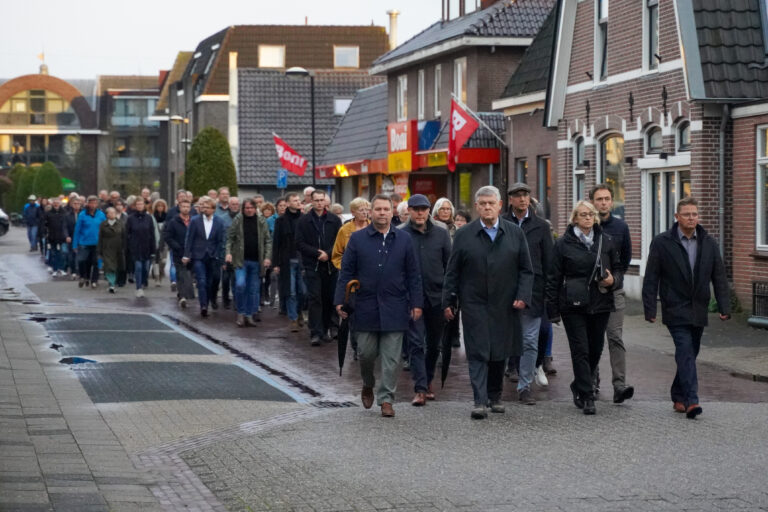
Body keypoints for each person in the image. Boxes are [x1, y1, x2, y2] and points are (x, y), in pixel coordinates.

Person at [443, 186, 534, 419]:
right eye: (482, 203)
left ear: (500, 205)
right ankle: (479, 400)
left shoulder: (514, 233)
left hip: (506, 302)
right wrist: (448, 301)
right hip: (474, 302)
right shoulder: (464, 235)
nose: (487, 207)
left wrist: (523, 296)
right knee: (478, 351)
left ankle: (495, 396)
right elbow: (452, 271)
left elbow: (526, 269)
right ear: (476, 206)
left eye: (491, 203)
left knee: (499, 351)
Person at [335, 194, 423, 418]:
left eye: (386, 209)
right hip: (365, 305)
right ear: (370, 212)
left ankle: (386, 399)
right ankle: (367, 382)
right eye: (378, 209)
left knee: (392, 358)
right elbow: (346, 272)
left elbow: (413, 274)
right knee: (365, 352)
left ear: (392, 212)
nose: (382, 213)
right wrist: (340, 301)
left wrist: (416, 303)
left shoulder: (404, 239)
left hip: (395, 305)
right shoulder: (357, 239)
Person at [642, 197, 730, 419]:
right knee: (685, 350)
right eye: (687, 214)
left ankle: (678, 394)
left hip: (698, 306)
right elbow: (652, 277)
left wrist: (724, 305)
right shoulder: (662, 242)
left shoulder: (708, 242)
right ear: (677, 217)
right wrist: (650, 308)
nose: (692, 218)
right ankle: (692, 400)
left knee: (691, 352)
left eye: (695, 214)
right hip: (674, 307)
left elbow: (719, 276)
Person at [546, 200, 622, 415]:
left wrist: (612, 281)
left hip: (600, 303)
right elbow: (553, 277)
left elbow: (618, 270)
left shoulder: (606, 241)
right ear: (574, 219)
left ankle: (579, 384)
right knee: (580, 350)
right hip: (573, 304)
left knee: (595, 349)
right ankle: (587, 396)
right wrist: (552, 309)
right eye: (582, 214)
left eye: (590, 214)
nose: (587, 218)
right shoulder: (562, 244)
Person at [503, 183, 554, 405]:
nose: (522, 199)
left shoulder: (541, 226)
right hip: (505, 290)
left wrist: (548, 293)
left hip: (534, 290)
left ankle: (524, 386)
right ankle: (495, 385)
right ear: (510, 200)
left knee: (530, 340)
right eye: (517, 196)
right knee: (504, 339)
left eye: (526, 195)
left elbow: (549, 261)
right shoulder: (501, 223)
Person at [399, 194, 451, 405]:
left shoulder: (441, 233)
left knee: (434, 345)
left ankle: (428, 379)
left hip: (437, 296)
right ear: (409, 211)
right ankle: (420, 388)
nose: (420, 213)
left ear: (429, 210)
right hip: (412, 298)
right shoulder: (401, 234)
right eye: (415, 209)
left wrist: (450, 298)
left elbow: (449, 266)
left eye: (423, 209)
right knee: (416, 343)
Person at [590, 184, 635, 403]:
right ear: (592, 202)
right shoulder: (586, 226)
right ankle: (591, 381)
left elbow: (625, 259)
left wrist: (614, 279)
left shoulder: (621, 227)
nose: (603, 203)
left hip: (614, 291)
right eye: (599, 199)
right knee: (592, 339)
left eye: (607, 199)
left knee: (615, 337)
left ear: (612, 201)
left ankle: (619, 385)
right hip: (590, 294)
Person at [295, 190, 342, 346]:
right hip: (312, 265)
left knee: (329, 298)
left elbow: (339, 241)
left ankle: (327, 328)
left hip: (330, 265)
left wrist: (328, 254)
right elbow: (300, 243)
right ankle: (316, 332)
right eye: (316, 200)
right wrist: (316, 253)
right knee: (315, 298)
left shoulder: (334, 220)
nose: (319, 203)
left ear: (325, 202)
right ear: (311, 201)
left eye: (322, 200)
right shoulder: (304, 221)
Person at [226, 199, 272, 326]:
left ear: (255, 208)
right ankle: (240, 312)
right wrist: (228, 253)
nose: (249, 210)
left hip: (257, 261)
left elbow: (268, 241)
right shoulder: (238, 220)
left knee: (253, 289)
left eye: (251, 207)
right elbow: (230, 238)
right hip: (241, 260)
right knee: (240, 285)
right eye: (246, 208)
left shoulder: (261, 221)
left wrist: (267, 257)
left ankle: (249, 314)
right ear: (243, 209)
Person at [183, 196, 225, 317]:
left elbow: (221, 240)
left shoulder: (219, 222)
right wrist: (186, 254)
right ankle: (203, 306)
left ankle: (207, 301)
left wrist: (218, 254)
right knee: (201, 280)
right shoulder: (195, 221)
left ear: (213, 209)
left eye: (207, 207)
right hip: (198, 255)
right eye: (203, 207)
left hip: (212, 256)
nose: (204, 209)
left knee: (210, 282)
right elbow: (189, 239)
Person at [273, 193, 306, 329]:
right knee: (291, 291)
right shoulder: (280, 221)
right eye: (295, 200)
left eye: (299, 200)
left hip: (302, 259)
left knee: (303, 291)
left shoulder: (304, 219)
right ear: (287, 203)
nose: (298, 202)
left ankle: (299, 312)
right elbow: (276, 243)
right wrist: (276, 263)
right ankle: (293, 318)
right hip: (287, 260)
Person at [163, 199, 195, 308]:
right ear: (180, 208)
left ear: (190, 208)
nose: (186, 208)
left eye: (187, 206)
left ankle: (183, 293)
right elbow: (168, 236)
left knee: (189, 275)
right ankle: (183, 297)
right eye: (183, 206)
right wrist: (176, 247)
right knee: (181, 274)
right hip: (178, 252)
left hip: (192, 253)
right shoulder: (173, 222)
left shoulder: (194, 221)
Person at [72, 196, 106, 289]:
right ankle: (83, 276)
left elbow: (105, 229)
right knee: (82, 260)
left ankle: (94, 280)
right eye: (91, 202)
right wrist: (75, 244)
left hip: (97, 242)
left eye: (95, 203)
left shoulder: (101, 215)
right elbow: (77, 230)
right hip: (84, 242)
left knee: (95, 262)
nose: (93, 205)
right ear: (87, 203)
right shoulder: (82, 214)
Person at [125, 197, 156, 298]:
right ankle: (138, 287)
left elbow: (152, 234)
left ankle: (144, 281)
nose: (139, 206)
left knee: (146, 268)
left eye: (141, 204)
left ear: (144, 205)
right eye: (137, 204)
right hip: (135, 247)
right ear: (135, 206)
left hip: (146, 247)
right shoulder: (130, 218)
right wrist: (129, 245)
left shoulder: (148, 218)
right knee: (138, 267)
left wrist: (153, 248)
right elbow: (127, 233)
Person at [331, 197, 370, 270]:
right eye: (361, 210)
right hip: (350, 272)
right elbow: (336, 254)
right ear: (353, 212)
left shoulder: (374, 227)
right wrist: (345, 268)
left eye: (366, 209)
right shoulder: (344, 229)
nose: (365, 212)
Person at [217, 196, 241, 309]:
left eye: (237, 204)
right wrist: (222, 256)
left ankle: (237, 301)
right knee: (225, 279)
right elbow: (221, 238)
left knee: (236, 279)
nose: (235, 206)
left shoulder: (242, 218)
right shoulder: (222, 219)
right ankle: (225, 299)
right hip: (225, 252)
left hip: (239, 254)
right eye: (233, 204)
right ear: (229, 205)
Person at [97, 207, 125, 294]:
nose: (112, 214)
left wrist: (125, 248)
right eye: (110, 213)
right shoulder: (103, 224)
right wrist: (99, 249)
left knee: (118, 266)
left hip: (119, 248)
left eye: (114, 213)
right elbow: (100, 238)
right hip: (107, 248)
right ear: (107, 214)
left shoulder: (121, 224)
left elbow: (124, 237)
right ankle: (111, 284)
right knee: (109, 267)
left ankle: (114, 282)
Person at [44, 197, 69, 277]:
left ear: (60, 203)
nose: (56, 204)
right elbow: (45, 225)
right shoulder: (49, 214)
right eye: (54, 203)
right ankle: (55, 269)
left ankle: (61, 269)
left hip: (62, 237)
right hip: (52, 237)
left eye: (57, 202)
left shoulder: (64, 213)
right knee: (54, 253)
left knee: (62, 253)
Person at [260, 202, 277, 306]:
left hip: (272, 251)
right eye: (265, 210)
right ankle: (263, 295)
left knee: (269, 276)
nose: (267, 211)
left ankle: (267, 293)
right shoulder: (260, 220)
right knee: (262, 275)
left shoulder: (273, 221)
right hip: (262, 251)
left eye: (269, 210)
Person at [151, 199, 169, 287]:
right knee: (156, 260)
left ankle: (161, 274)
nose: (160, 208)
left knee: (163, 260)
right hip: (155, 240)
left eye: (162, 206)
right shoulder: (152, 217)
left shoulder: (167, 217)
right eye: (158, 206)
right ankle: (157, 278)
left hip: (165, 241)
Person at [64, 196, 81, 280]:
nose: (76, 205)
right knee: (72, 255)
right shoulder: (67, 215)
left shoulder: (83, 214)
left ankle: (80, 271)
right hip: (71, 237)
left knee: (81, 255)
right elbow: (65, 227)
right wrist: (67, 236)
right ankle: (73, 271)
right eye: (74, 204)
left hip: (82, 238)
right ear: (71, 204)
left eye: (78, 204)